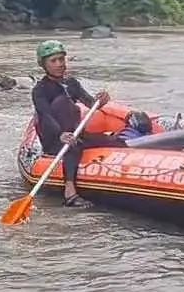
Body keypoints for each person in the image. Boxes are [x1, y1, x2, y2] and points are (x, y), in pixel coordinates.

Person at [30, 40, 123, 207]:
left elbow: (90, 103)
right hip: (55, 138)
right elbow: (45, 116)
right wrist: (60, 135)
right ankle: (70, 191)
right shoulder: (40, 90)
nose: (59, 64)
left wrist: (101, 100)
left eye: (61, 59)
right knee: (72, 144)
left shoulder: (72, 83)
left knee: (116, 142)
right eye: (53, 61)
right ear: (43, 64)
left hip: (75, 133)